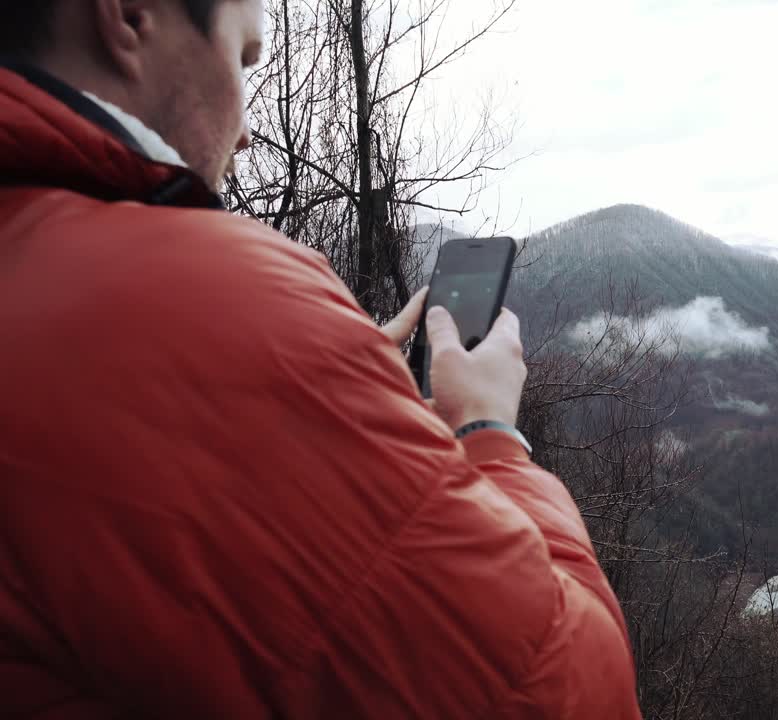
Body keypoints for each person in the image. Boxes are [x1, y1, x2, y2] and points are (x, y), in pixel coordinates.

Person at [0, 1, 642, 717]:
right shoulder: (213, 298)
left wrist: (346, 399)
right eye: (243, 60)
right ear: (130, 16)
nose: (246, 132)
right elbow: (570, 689)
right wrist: (486, 434)